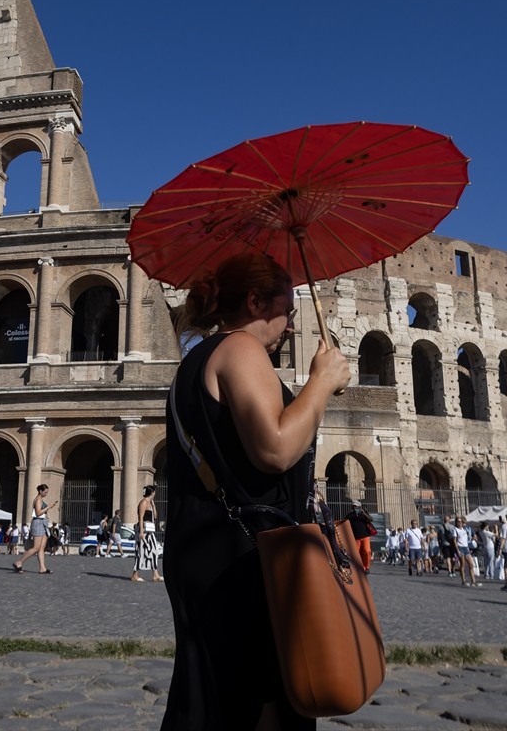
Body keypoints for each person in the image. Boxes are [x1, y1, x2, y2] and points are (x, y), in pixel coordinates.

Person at [161, 252, 350, 730]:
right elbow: (275, 449)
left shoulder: (194, 363)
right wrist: (320, 383)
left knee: (213, 697)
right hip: (246, 558)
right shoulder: (241, 349)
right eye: (286, 310)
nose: (290, 326)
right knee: (262, 703)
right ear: (254, 301)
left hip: (207, 551)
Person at [13, 484, 52, 574]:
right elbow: (38, 513)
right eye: (45, 492)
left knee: (42, 547)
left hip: (43, 524)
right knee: (36, 547)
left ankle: (42, 568)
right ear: (40, 491)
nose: (46, 494)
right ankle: (19, 562)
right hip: (38, 523)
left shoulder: (41, 499)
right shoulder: (38, 499)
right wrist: (48, 507)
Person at [131, 485, 163, 582]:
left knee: (154, 552)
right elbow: (140, 518)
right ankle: (134, 575)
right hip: (144, 531)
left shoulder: (150, 503)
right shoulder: (143, 502)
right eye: (154, 492)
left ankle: (155, 575)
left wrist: (153, 506)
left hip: (150, 531)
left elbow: (156, 517)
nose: (155, 493)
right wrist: (141, 531)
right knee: (141, 553)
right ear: (152, 492)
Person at [345, 500, 376, 573]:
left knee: (367, 551)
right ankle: (358, 566)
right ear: (352, 507)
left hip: (365, 536)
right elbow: (345, 523)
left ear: (360, 507)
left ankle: (366, 567)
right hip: (355, 537)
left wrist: (364, 513)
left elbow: (371, 519)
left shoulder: (364, 515)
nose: (356, 508)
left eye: (357, 507)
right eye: (354, 506)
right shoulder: (350, 516)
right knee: (356, 553)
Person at [453, 517, 480, 587]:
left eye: (461, 522)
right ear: (456, 522)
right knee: (463, 565)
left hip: (466, 548)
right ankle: (463, 581)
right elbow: (454, 541)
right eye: (458, 522)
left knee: (471, 564)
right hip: (460, 547)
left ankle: (473, 581)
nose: (460, 523)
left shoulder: (464, 529)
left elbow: (468, 537)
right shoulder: (455, 530)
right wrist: (457, 550)